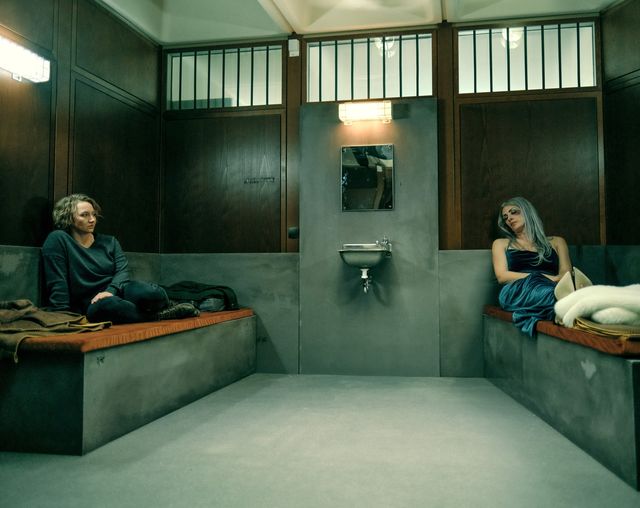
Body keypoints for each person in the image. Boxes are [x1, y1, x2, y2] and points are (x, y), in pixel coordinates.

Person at [42, 194, 199, 324]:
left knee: (150, 292)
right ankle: (159, 315)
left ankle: (163, 306)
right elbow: (57, 282)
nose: (92, 219)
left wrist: (110, 291)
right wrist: (62, 315)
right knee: (109, 306)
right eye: (85, 215)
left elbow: (122, 271)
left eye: (94, 214)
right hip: (92, 303)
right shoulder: (58, 239)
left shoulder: (109, 242)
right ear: (68, 218)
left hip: (117, 290)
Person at [491, 197, 572, 336]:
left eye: (514, 212)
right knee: (558, 296)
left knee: (578, 294)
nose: (509, 218)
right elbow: (502, 276)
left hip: (552, 286)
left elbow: (566, 274)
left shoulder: (557, 242)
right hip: (518, 290)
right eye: (505, 217)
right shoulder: (501, 243)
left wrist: (551, 280)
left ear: (527, 212)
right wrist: (544, 277)